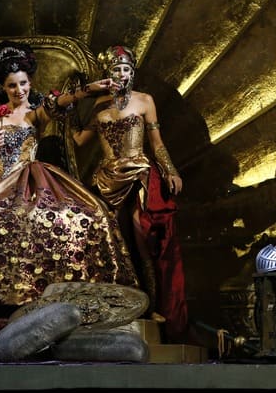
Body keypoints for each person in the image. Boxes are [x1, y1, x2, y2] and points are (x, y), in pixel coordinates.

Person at [0, 40, 138, 306]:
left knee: (80, 213)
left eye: (23, 84)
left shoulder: (36, 114)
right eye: (12, 85)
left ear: (30, 83)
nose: (19, 90)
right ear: (3, 87)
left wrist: (89, 90)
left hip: (28, 179)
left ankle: (53, 290)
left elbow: (62, 101)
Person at [71, 45, 188, 342]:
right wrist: (69, 109)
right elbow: (80, 141)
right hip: (106, 180)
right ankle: (115, 305)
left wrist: (170, 170)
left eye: (126, 70)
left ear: (132, 73)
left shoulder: (145, 101)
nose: (121, 74)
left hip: (137, 175)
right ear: (107, 75)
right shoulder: (98, 106)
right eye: (116, 70)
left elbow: (156, 142)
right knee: (109, 243)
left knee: (141, 237)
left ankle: (151, 304)